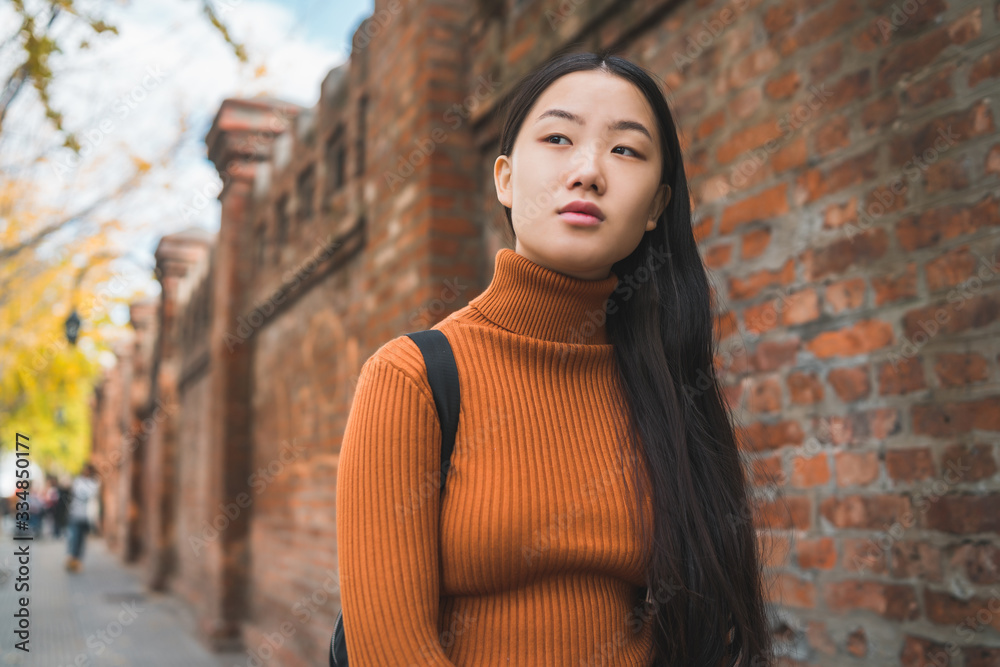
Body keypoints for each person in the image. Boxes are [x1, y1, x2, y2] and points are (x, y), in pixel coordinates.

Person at [336, 51, 772, 667]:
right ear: (506, 179)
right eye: (559, 138)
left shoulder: (667, 385)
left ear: (655, 206)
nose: (588, 171)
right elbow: (389, 652)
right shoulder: (412, 379)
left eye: (626, 150)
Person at [65, 462, 100, 572]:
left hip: (87, 517)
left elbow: (92, 496)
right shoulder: (78, 481)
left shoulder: (94, 482)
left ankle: (77, 561)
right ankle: (72, 559)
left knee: (81, 540)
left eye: (88, 470)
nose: (86, 472)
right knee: (74, 538)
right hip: (75, 515)